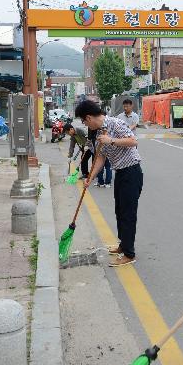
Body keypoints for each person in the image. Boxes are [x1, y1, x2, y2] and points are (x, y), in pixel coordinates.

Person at [76, 100, 142, 267]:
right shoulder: (94, 134)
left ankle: (129, 253)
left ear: (89, 117)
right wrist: (90, 177)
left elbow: (133, 141)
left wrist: (111, 140)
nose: (84, 124)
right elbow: (100, 157)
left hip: (131, 172)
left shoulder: (115, 123)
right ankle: (123, 245)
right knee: (119, 211)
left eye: (84, 121)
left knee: (128, 213)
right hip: (119, 173)